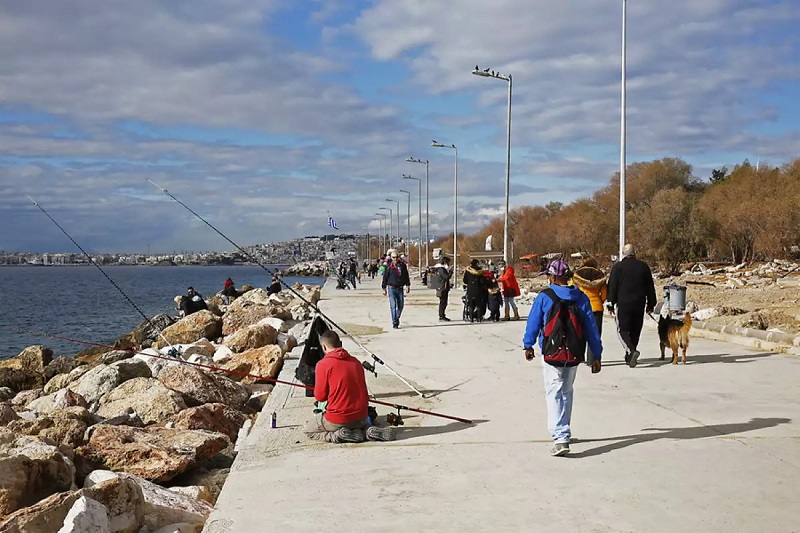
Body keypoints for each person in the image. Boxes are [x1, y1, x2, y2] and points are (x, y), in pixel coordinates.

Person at [523, 259, 603, 456]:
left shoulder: (545, 296)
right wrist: (596, 354)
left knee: (554, 391)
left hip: (551, 352)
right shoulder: (581, 297)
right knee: (566, 390)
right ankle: (564, 429)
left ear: (552, 276)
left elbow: (533, 323)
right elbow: (591, 329)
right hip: (574, 352)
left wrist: (528, 345)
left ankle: (560, 437)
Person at [303, 331, 395, 443]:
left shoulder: (323, 365)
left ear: (323, 346)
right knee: (358, 423)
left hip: (338, 419)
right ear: (340, 343)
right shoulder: (356, 362)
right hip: (362, 417)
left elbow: (320, 397)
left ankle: (337, 436)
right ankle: (367, 431)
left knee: (308, 430)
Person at [607, 244, 657, 368]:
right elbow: (650, 287)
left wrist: (610, 303)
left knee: (623, 330)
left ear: (623, 253)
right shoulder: (643, 267)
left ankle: (631, 350)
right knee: (635, 330)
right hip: (639, 303)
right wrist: (651, 303)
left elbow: (612, 286)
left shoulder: (618, 267)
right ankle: (630, 356)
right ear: (635, 253)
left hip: (623, 304)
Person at [572, 257, 608, 366]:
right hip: (596, 307)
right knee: (595, 334)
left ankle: (579, 356)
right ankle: (592, 359)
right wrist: (599, 300)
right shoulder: (600, 276)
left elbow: (572, 289)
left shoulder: (576, 276)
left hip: (581, 307)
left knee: (580, 332)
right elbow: (605, 294)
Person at [381, 252, 411, 329]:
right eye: (393, 257)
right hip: (391, 288)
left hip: (400, 287)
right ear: (391, 258)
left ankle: (396, 317)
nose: (395, 259)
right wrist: (384, 288)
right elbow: (385, 278)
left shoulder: (402, 266)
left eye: (396, 257)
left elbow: (406, 275)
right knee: (393, 306)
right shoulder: (389, 267)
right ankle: (395, 322)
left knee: (401, 305)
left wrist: (407, 285)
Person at [433, 256, 453, 322]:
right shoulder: (442, 269)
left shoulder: (439, 269)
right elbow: (446, 277)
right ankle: (441, 316)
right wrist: (450, 272)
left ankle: (442, 315)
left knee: (443, 302)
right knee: (443, 302)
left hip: (441, 287)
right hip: (443, 287)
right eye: (448, 262)